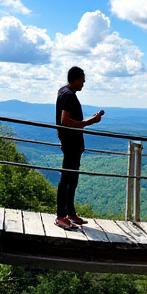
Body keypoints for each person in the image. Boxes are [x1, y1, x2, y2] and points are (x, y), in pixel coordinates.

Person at [54, 66, 104, 230]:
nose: (84, 83)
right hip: (72, 143)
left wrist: (60, 135)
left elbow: (60, 121)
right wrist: (90, 122)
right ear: (75, 79)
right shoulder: (69, 96)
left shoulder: (62, 92)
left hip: (70, 142)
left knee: (72, 179)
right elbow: (65, 121)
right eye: (82, 80)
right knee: (66, 180)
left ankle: (70, 213)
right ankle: (61, 216)